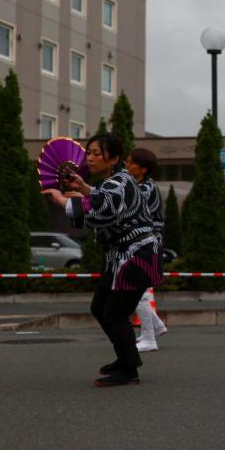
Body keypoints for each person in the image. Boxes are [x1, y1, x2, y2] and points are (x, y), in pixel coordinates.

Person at [42, 133, 163, 387]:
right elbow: (101, 198)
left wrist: (61, 199)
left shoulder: (119, 182)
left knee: (115, 314)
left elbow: (100, 210)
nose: (90, 158)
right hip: (121, 256)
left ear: (114, 158)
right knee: (100, 307)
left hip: (136, 256)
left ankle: (129, 369)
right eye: (89, 153)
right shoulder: (116, 181)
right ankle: (127, 359)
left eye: (97, 153)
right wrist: (83, 187)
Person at [125, 148, 168, 353]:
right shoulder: (140, 185)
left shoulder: (144, 188)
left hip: (145, 244)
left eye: (131, 162)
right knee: (138, 290)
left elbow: (129, 211)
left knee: (138, 292)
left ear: (143, 169)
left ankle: (150, 338)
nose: (127, 165)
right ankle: (156, 327)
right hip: (144, 243)